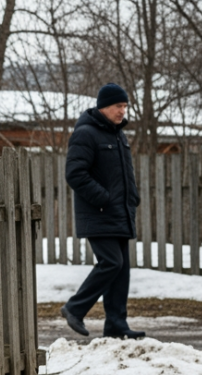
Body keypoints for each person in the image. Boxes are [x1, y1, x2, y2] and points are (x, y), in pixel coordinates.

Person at [60, 83, 145, 340]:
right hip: (99, 212)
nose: (123, 111)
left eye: (125, 106)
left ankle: (117, 325)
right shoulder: (86, 134)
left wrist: (132, 198)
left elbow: (124, 174)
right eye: (118, 106)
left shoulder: (118, 135)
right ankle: (75, 308)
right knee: (111, 263)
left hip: (120, 213)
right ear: (104, 107)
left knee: (121, 270)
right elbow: (75, 174)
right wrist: (103, 199)